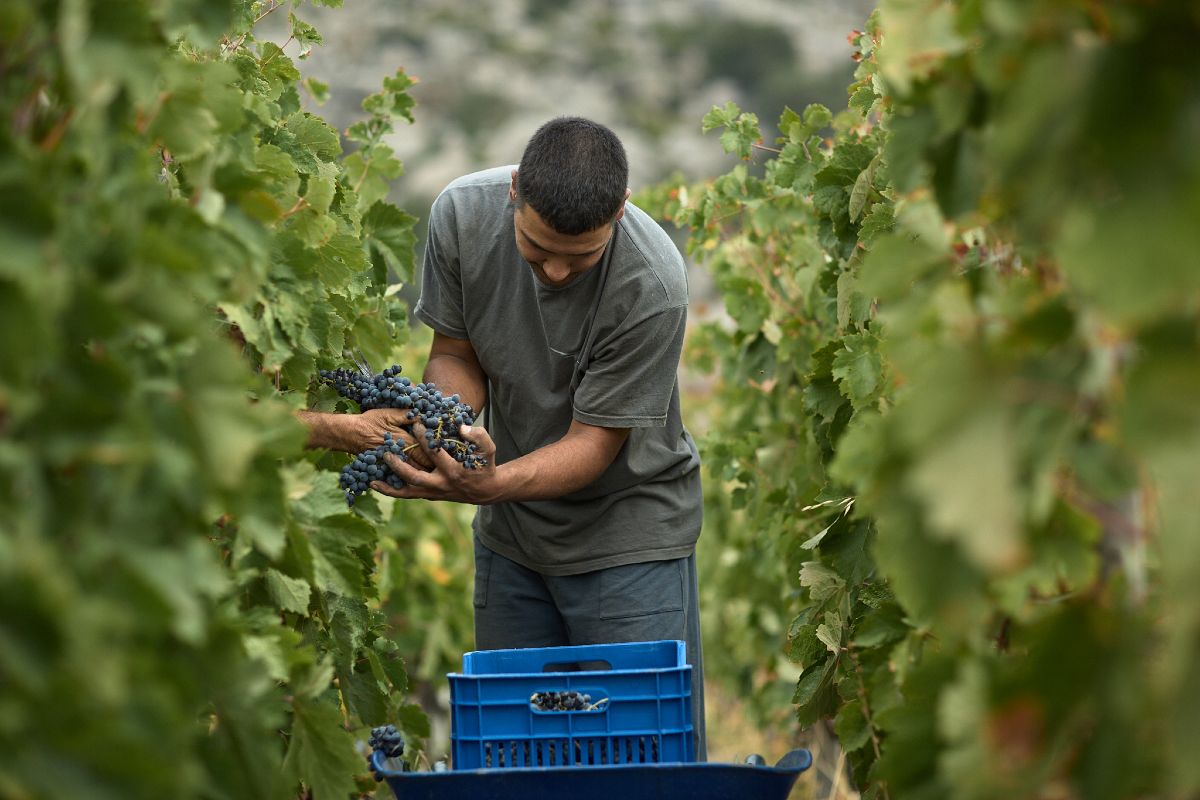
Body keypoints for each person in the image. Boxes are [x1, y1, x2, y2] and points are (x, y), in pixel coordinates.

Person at [301, 117, 706, 758]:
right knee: (519, 754)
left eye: (582, 256)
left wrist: (487, 484)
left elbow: (594, 445)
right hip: (513, 537)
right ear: (514, 191)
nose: (555, 271)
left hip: (629, 535)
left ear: (620, 213)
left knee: (635, 755)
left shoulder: (653, 286)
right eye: (536, 246)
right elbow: (455, 354)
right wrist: (447, 426)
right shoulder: (462, 215)